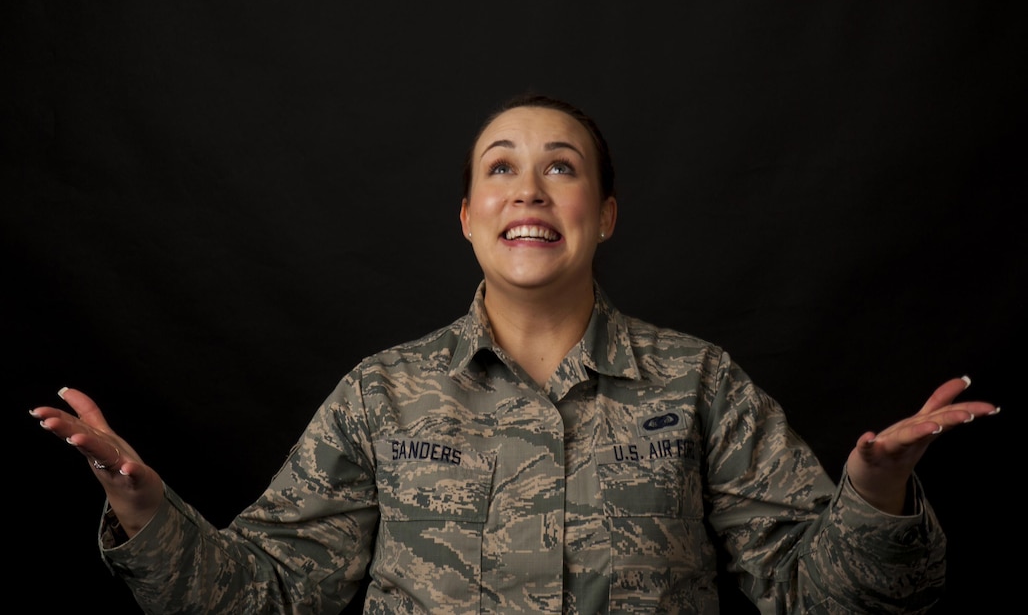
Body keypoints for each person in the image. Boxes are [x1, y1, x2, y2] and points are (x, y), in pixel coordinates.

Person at [31, 92, 998, 614]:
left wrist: (873, 497)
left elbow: (815, 595)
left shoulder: (699, 382)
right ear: (467, 218)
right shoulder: (383, 393)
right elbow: (269, 594)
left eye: (561, 168)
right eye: (502, 168)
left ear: (604, 215)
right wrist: (147, 514)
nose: (529, 190)